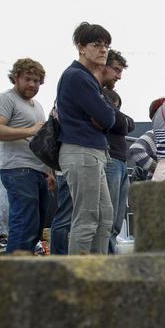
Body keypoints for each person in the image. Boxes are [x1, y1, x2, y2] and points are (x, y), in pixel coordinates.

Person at [55, 22, 117, 255]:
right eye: (97, 44)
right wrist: (102, 115)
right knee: (88, 218)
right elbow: (108, 118)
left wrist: (103, 115)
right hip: (81, 151)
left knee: (104, 217)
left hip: (92, 152)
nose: (103, 50)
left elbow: (109, 117)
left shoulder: (87, 78)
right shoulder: (76, 76)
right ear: (81, 47)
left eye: (106, 45)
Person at [0, 58, 51, 253]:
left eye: (37, 81)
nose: (32, 84)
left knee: (36, 226)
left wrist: (49, 172)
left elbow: (41, 142)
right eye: (28, 79)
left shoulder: (37, 106)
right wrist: (30, 130)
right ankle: (11, 277)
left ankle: (24, 271)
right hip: (18, 169)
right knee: (24, 224)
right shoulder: (5, 98)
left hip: (38, 170)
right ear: (16, 78)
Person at [101, 50, 136, 253]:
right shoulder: (98, 92)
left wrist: (120, 118)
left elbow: (125, 123)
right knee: (107, 218)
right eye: (116, 70)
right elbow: (118, 121)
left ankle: (110, 257)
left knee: (116, 219)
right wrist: (119, 119)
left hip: (120, 162)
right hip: (110, 160)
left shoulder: (107, 95)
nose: (119, 76)